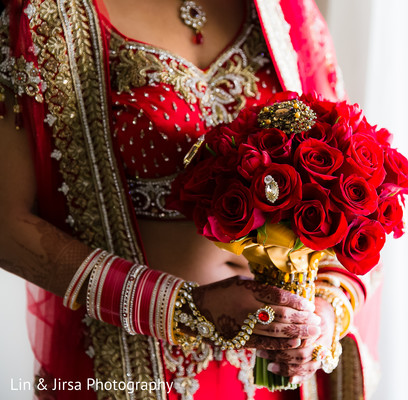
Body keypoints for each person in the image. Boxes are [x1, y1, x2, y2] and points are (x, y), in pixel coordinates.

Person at [0, 0, 379, 399]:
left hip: (272, 370)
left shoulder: (284, 10)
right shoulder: (43, 16)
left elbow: (349, 179)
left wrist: (323, 313)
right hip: (132, 362)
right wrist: (186, 309)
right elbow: (8, 227)